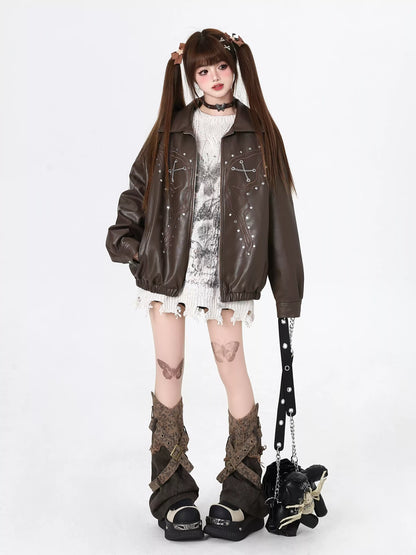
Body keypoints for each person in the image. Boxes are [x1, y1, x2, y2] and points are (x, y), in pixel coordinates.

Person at [105, 28, 304, 542]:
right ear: (191, 77)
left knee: (232, 368)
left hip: (228, 279)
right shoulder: (171, 130)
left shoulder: (259, 133)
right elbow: (137, 189)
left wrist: (288, 292)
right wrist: (130, 244)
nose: (215, 78)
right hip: (169, 273)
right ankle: (171, 492)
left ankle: (243, 490)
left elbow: (280, 219)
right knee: (168, 371)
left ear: (235, 68)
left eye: (221, 67)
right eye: (203, 70)